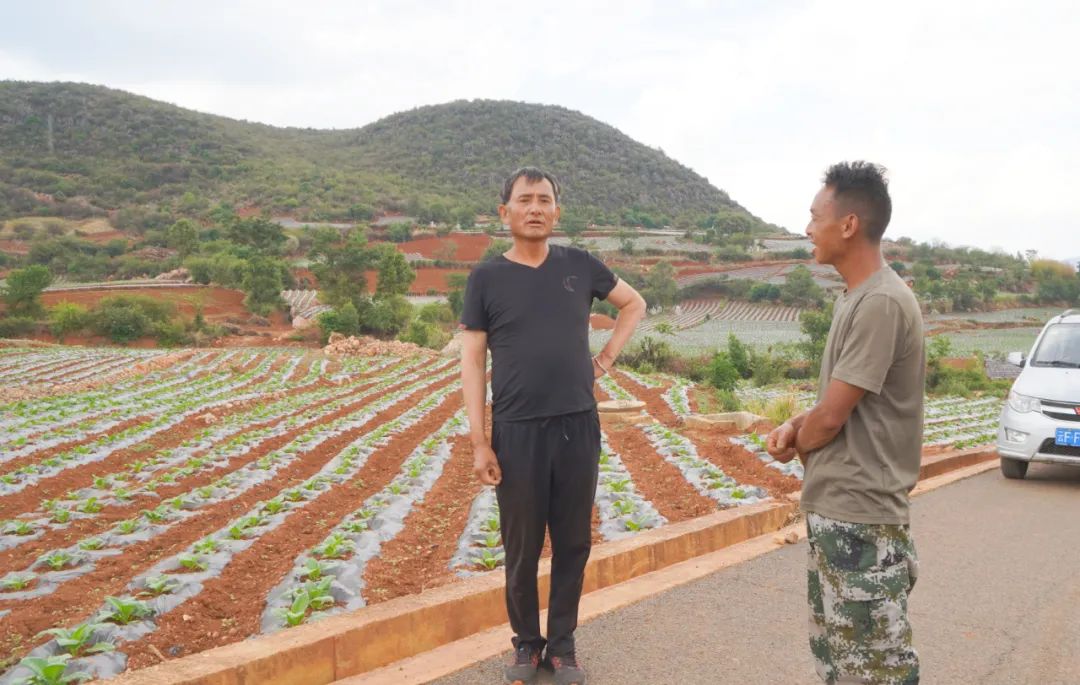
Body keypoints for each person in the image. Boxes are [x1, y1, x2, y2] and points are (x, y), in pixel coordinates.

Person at [460, 167, 645, 685]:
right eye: (525, 200)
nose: (535, 208)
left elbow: (634, 304)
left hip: (576, 426)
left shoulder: (579, 265)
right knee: (520, 548)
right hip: (516, 430)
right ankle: (526, 644)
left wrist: (605, 358)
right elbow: (472, 362)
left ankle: (561, 647)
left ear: (557, 212)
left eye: (545, 200)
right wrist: (480, 441)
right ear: (506, 213)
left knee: (573, 543)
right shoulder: (487, 278)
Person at [767, 161, 924, 684]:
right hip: (842, 513)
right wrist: (795, 423)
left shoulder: (879, 301)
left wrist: (802, 439)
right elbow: (839, 403)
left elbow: (833, 417)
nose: (808, 229)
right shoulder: (857, 297)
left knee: (874, 670)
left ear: (849, 224)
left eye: (815, 217)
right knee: (841, 664)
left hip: (861, 518)